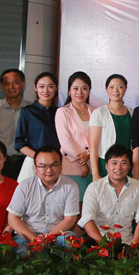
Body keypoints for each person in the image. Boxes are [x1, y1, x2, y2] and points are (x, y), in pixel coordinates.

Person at [6, 146, 80, 252]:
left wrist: (48, 238)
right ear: (36, 168)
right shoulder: (24, 186)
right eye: (43, 166)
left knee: (71, 242)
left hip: (57, 234)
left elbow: (70, 219)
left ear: (61, 165)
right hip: (29, 235)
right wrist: (34, 239)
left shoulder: (71, 186)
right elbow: (13, 218)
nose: (49, 170)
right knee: (21, 250)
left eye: (54, 165)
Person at [80, 144, 139, 244]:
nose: (119, 167)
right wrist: (104, 246)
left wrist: (133, 247)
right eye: (114, 163)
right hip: (99, 242)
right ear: (106, 166)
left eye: (123, 163)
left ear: (129, 166)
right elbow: (87, 220)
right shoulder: (94, 187)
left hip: (126, 242)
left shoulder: (138, 187)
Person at [0, 69, 31, 178]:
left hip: (25, 162)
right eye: (6, 83)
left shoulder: (31, 110)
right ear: (2, 86)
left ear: (23, 84)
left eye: (15, 82)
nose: (11, 87)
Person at [55, 71, 95, 199]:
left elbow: (99, 139)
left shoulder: (96, 111)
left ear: (89, 91)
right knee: (73, 204)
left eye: (84, 88)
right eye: (76, 88)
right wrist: (83, 163)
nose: (80, 92)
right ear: (69, 91)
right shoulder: (63, 112)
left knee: (90, 205)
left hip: (94, 165)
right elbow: (66, 142)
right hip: (71, 166)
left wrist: (88, 154)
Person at [14, 72, 59, 182]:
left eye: (50, 86)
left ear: (56, 88)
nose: (46, 91)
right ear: (35, 88)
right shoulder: (28, 112)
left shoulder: (59, 112)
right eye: (41, 86)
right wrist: (38, 158)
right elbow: (18, 143)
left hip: (55, 164)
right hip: (33, 163)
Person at [89, 74, 132, 180]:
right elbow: (93, 146)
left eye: (120, 87)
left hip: (126, 165)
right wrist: (95, 174)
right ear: (106, 89)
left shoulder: (132, 113)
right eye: (111, 87)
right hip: (104, 165)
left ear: (125, 89)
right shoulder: (99, 113)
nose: (115, 90)